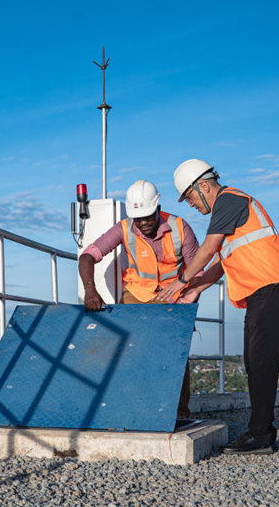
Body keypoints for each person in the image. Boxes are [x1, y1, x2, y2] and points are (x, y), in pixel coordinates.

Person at [158, 159, 279, 455]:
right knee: (254, 359)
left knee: (260, 361)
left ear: (203, 186)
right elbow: (222, 261)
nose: (191, 204)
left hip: (272, 286)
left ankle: (261, 435)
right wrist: (196, 287)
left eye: (191, 197)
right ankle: (261, 431)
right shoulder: (228, 207)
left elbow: (208, 249)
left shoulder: (229, 200)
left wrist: (181, 280)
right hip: (265, 290)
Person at [78, 179, 201, 419]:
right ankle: (131, 410)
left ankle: (179, 414)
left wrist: (188, 296)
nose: (143, 223)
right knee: (130, 352)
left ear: (158, 208)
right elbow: (88, 256)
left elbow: (198, 269)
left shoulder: (180, 227)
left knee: (175, 354)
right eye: (138, 218)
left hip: (173, 298)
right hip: (136, 295)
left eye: (147, 216)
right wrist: (90, 289)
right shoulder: (123, 228)